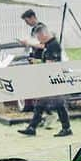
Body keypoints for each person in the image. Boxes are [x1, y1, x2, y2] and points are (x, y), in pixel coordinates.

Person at [16, 8, 72, 137]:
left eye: (38, 37)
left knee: (59, 104)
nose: (38, 40)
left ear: (43, 34)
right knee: (42, 103)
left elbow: (50, 65)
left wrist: (37, 63)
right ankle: (32, 127)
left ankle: (66, 128)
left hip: (54, 79)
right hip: (50, 78)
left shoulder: (53, 46)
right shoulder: (49, 45)